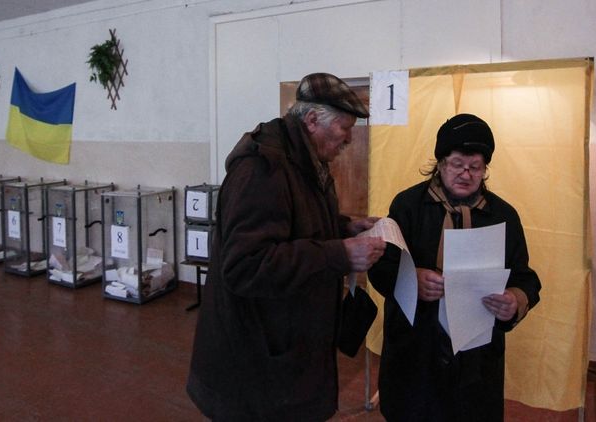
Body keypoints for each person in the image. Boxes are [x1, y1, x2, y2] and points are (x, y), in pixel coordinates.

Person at [186, 73, 386, 421]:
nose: (349, 139)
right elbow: (246, 265)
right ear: (313, 121)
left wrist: (343, 228)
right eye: (344, 128)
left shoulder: (303, 161)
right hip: (255, 365)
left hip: (282, 347)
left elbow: (293, 224)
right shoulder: (263, 169)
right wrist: (339, 254)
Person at [367, 113, 541, 421]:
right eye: (457, 164)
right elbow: (380, 266)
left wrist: (514, 300)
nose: (466, 174)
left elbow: (525, 278)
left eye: (476, 167)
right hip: (416, 348)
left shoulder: (503, 215)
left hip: (476, 357)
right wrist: (411, 279)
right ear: (440, 163)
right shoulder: (408, 206)